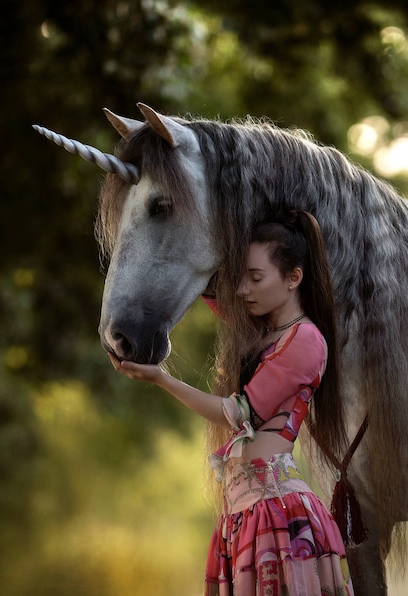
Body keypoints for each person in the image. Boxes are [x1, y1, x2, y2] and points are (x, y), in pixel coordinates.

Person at [109, 211, 354, 596]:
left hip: (278, 513)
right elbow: (209, 290)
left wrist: (161, 378)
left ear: (294, 278)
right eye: (242, 277)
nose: (243, 289)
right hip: (245, 514)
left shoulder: (305, 340)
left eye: (255, 278)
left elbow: (238, 414)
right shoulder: (266, 333)